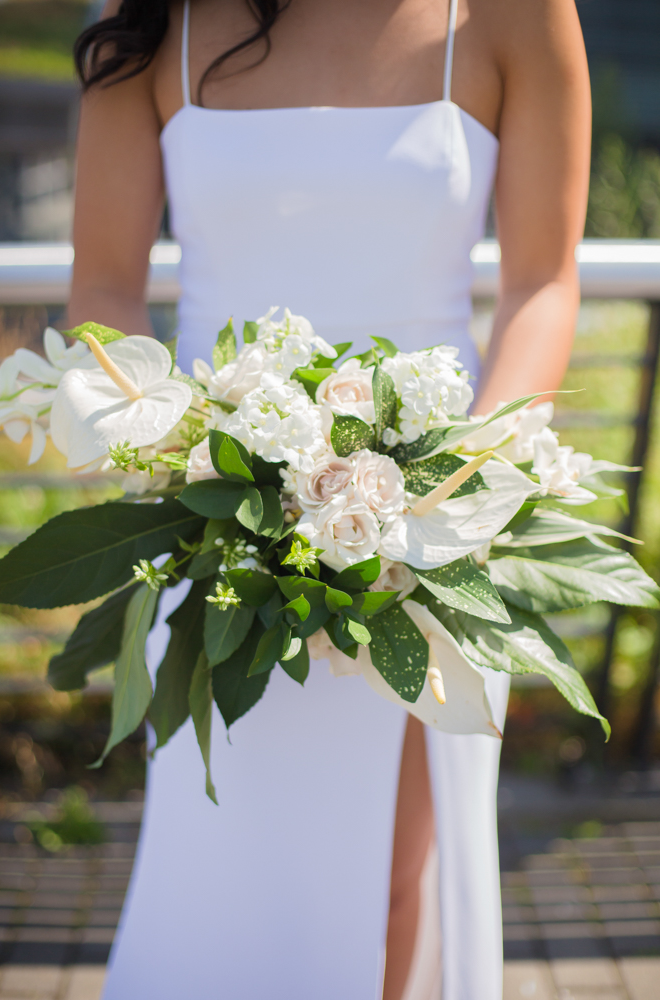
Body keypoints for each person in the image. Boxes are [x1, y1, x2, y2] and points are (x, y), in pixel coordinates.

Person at [69, 1, 590, 997]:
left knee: (388, 889)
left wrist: (449, 493)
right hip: (214, 530)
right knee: (213, 875)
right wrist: (179, 452)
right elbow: (104, 287)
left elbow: (541, 284)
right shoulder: (149, 19)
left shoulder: (515, 12)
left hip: (430, 542)